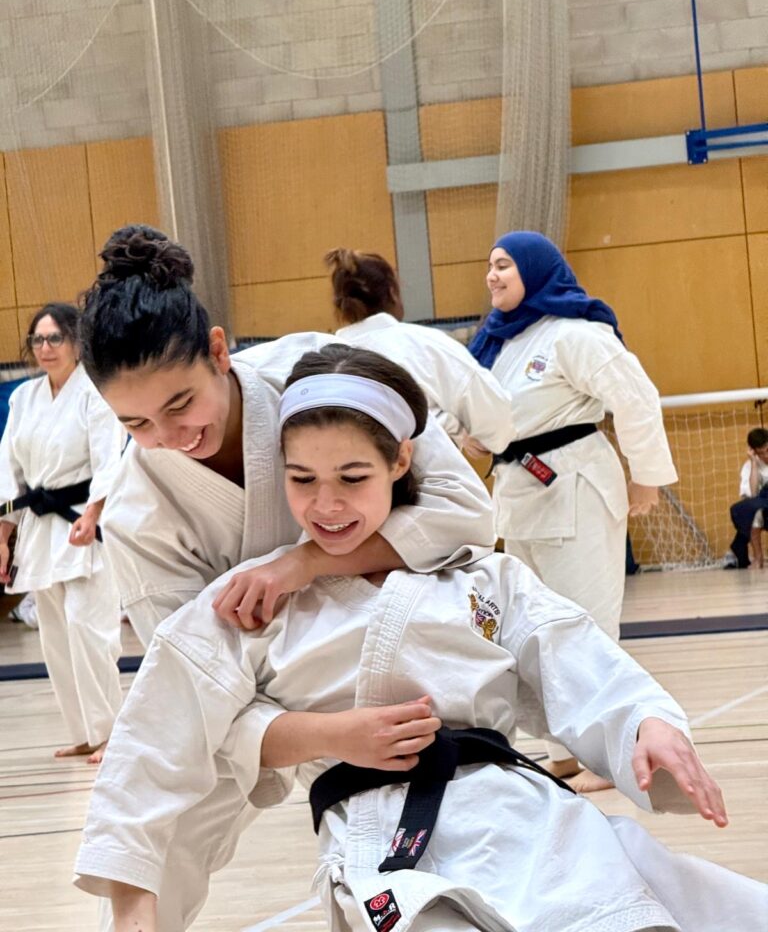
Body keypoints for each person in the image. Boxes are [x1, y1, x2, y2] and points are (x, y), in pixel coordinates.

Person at [74, 344, 767, 932]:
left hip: (526, 817)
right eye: (301, 479)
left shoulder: (480, 577)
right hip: (384, 840)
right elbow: (158, 735)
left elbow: (571, 654)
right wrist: (135, 907)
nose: (325, 505)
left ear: (401, 461)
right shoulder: (253, 602)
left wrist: (646, 723)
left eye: (352, 478)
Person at [76, 226, 497, 926]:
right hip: (256, 692)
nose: (170, 436)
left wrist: (305, 561)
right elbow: (194, 689)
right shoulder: (136, 510)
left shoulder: (320, 379)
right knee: (161, 829)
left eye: (180, 404)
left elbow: (465, 512)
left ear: (218, 351)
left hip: (393, 643)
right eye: (136, 423)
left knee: (464, 839)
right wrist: (328, 735)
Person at [465, 231, 678, 792]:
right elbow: (478, 413)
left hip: (577, 487)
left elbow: (636, 396)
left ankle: (610, 755)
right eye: (490, 266)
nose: (492, 275)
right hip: (519, 495)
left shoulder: (575, 333)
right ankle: (564, 752)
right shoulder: (497, 342)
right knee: (533, 631)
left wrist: (646, 477)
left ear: (534, 269)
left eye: (504, 265)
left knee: (587, 627)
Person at [0, 304, 124, 762]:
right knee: (55, 636)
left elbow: (110, 459)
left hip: (82, 521)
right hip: (38, 526)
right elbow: (8, 468)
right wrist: (3, 533)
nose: (46, 348)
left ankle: (112, 732)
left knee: (89, 629)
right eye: (38, 339)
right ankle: (86, 732)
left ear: (76, 342)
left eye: (55, 338)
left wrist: (94, 513)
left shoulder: (96, 392)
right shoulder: (23, 397)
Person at [326, 247, 516, 451]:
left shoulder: (323, 360)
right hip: (423, 469)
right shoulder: (425, 345)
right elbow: (496, 421)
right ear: (393, 293)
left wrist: (448, 424)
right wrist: (457, 429)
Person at [728, 427, 768, 569]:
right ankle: (758, 558)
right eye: (761, 453)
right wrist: (754, 463)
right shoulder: (749, 467)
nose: (766, 456)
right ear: (754, 452)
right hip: (763, 510)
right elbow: (753, 496)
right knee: (747, 510)